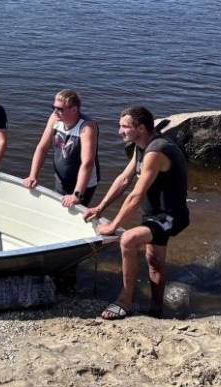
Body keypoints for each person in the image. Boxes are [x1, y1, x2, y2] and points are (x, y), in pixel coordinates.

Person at [83, 106, 190, 320]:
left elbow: (135, 195)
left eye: (124, 127)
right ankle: (157, 310)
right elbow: (124, 179)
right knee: (154, 260)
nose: (119, 132)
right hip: (154, 215)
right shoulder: (140, 146)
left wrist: (113, 226)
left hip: (171, 216)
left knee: (128, 240)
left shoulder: (156, 151)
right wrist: (100, 207)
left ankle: (125, 301)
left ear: (140, 128)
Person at [22, 89, 100, 208]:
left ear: (74, 109)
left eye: (60, 109)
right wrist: (33, 176)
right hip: (61, 180)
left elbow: (87, 163)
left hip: (83, 184)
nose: (55, 112)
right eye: (53, 107)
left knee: (74, 213)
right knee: (58, 208)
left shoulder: (86, 127)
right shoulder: (55, 119)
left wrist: (77, 194)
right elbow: (42, 148)